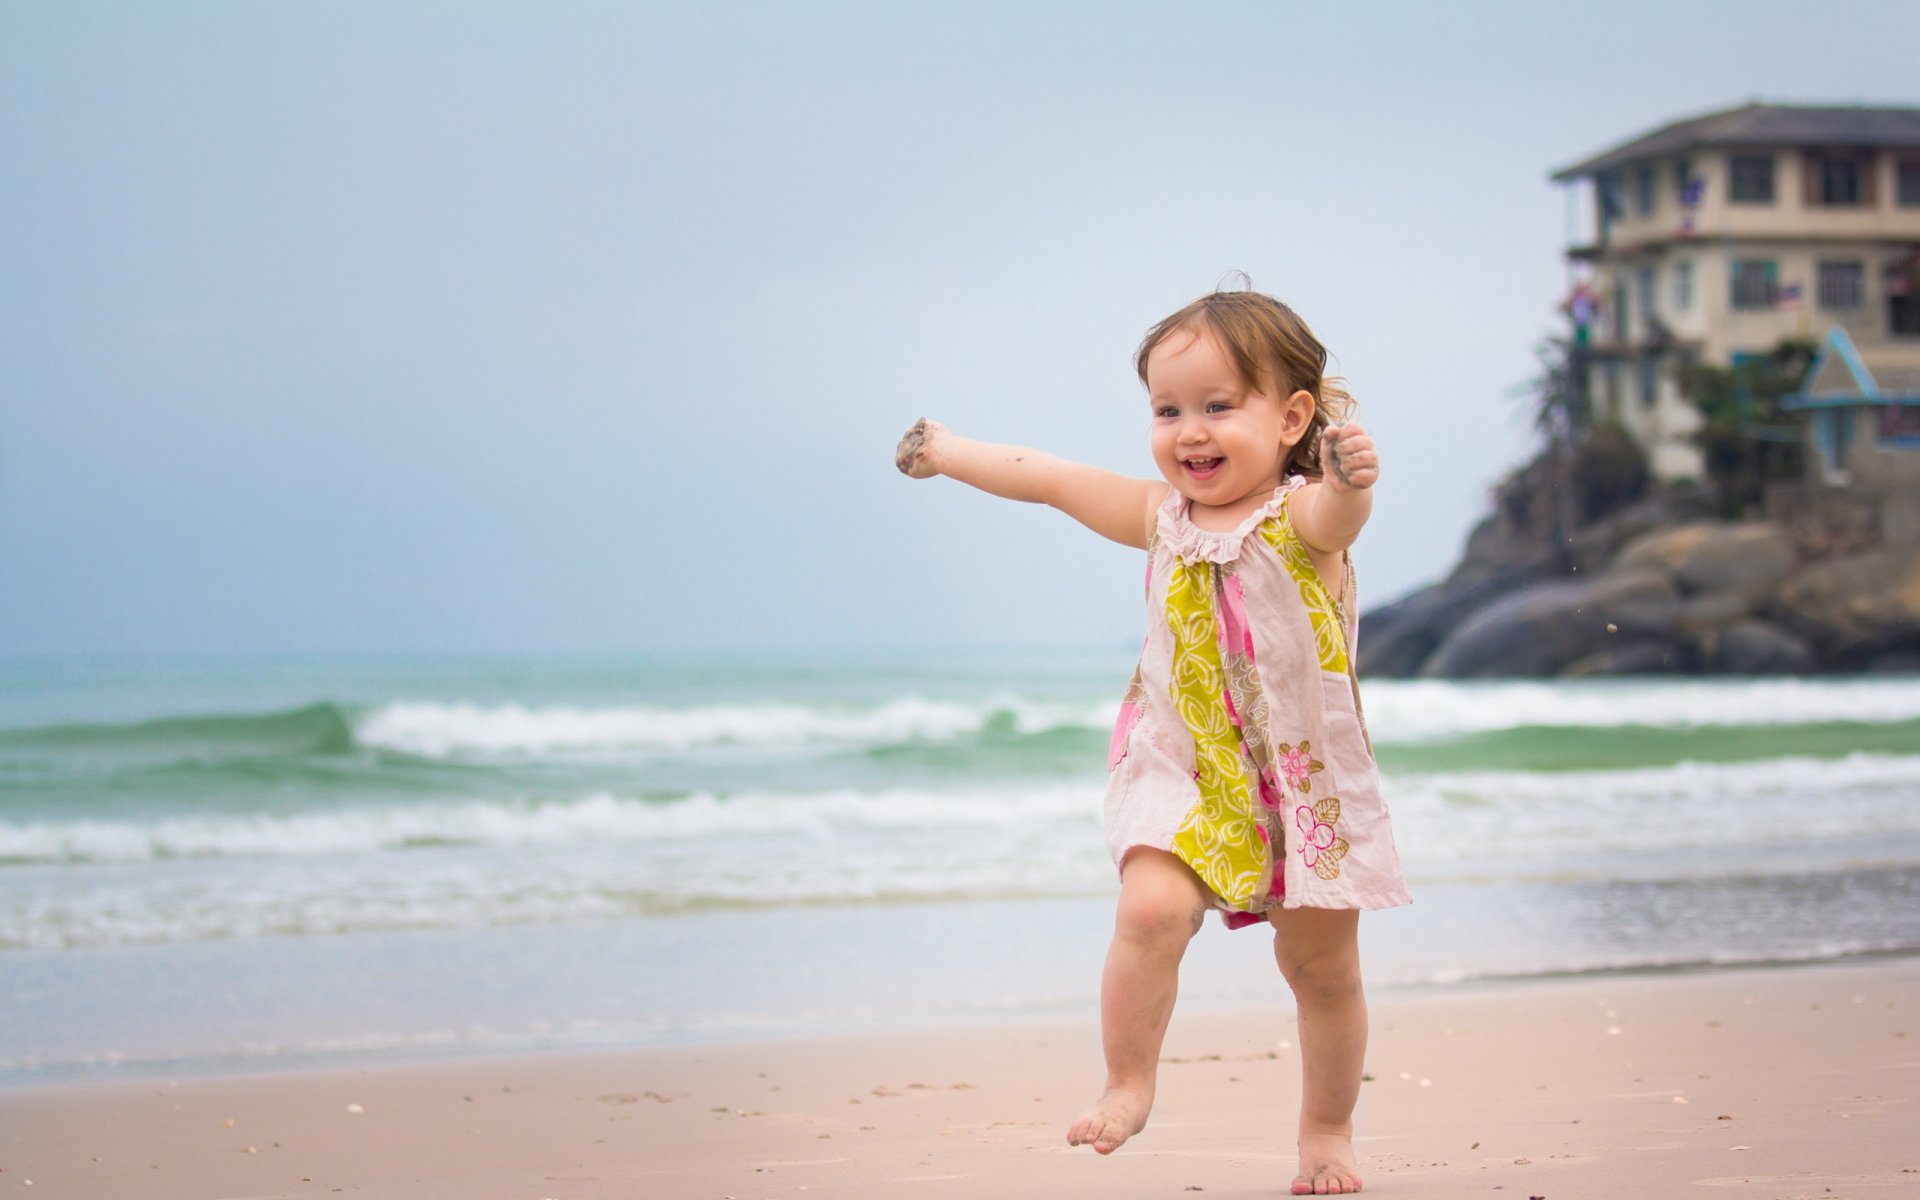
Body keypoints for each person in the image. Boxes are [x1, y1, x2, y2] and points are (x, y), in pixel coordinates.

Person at [893, 286, 1410, 1196]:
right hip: (1185, 767)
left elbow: (1340, 520)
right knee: (1148, 912)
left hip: (1302, 786)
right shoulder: (1157, 518)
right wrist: (946, 451)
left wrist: (1350, 482)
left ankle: (1326, 1129)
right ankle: (1128, 1082)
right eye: (1167, 410)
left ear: (1292, 419)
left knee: (1320, 970)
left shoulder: (1299, 521)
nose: (1189, 432)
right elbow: (1048, 478)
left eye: (1218, 406)